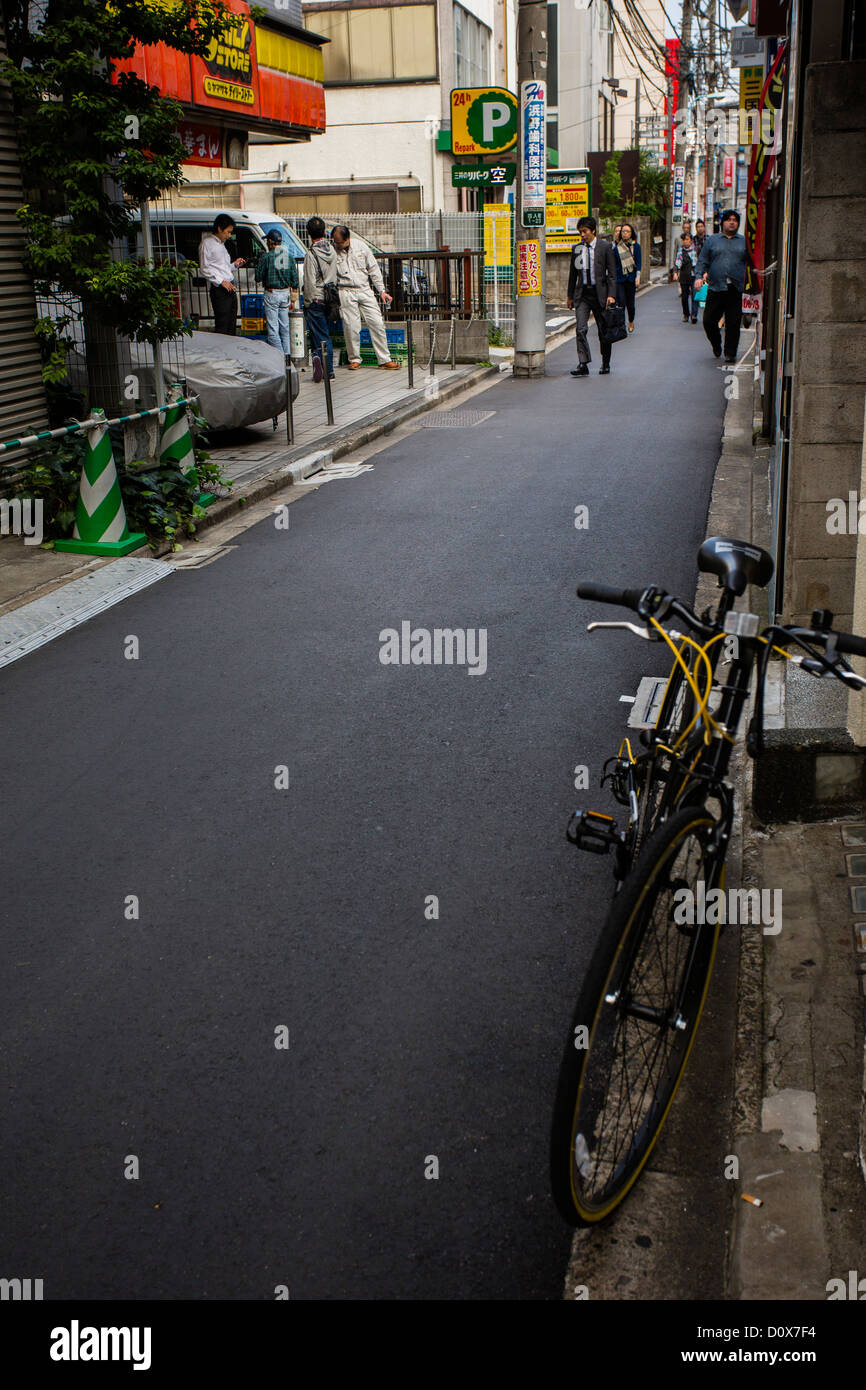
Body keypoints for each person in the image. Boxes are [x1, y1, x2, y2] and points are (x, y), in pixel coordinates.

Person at [330, 225, 399, 370]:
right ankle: (354, 359)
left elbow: (373, 268)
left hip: (364, 289)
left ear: (348, 238)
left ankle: (384, 359)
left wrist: (381, 290)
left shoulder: (361, 247)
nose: (338, 245)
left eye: (341, 242)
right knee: (351, 327)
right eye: (336, 243)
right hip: (345, 290)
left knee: (377, 323)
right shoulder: (332, 251)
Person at [566, 216, 619, 376]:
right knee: (581, 329)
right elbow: (573, 275)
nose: (582, 235)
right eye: (580, 232)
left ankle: (605, 362)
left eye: (585, 231)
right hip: (582, 295)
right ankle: (583, 363)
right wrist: (570, 296)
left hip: (600, 294)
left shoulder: (605, 247)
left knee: (604, 330)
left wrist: (611, 295)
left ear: (593, 231)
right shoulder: (577, 249)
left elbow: (612, 274)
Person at [694, 208, 747, 362]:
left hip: (735, 288)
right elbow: (702, 261)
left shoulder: (744, 242)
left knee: (733, 323)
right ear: (722, 223)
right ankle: (716, 344)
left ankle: (730, 353)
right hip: (716, 287)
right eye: (728, 219)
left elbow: (750, 263)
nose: (732, 222)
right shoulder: (712, 241)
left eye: (735, 220)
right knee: (708, 320)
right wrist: (698, 277)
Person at [198, 214, 245, 335]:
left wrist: (234, 265)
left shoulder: (221, 245)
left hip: (230, 286)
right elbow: (204, 268)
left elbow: (223, 268)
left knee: (231, 323)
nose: (229, 235)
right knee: (222, 324)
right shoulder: (207, 244)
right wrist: (221, 281)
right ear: (219, 229)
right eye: (228, 232)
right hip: (220, 289)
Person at [303, 216, 337, 382]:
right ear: (324, 231)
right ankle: (322, 364)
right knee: (324, 334)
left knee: (320, 335)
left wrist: (307, 302)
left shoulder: (311, 254)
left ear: (308, 233)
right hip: (330, 300)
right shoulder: (332, 250)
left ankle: (327, 369)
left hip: (316, 299)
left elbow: (309, 281)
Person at [255, 229, 298, 355]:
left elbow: (258, 277)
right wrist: (293, 299)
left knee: (273, 330)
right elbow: (295, 280)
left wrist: (260, 263)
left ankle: (281, 358)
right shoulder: (289, 257)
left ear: (270, 241)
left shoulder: (266, 257)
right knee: (285, 329)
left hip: (272, 293)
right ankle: (288, 358)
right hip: (285, 294)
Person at [614, 222, 642, 333]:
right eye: (623, 231)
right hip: (620, 278)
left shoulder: (636, 246)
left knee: (630, 304)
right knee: (621, 302)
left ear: (631, 233)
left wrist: (637, 277)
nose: (625, 233)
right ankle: (621, 325)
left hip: (631, 278)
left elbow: (638, 262)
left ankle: (631, 321)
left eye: (628, 231)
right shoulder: (617, 247)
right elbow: (614, 264)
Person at [674, 232, 698, 323]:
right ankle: (686, 314)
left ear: (691, 241)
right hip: (684, 275)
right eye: (684, 240)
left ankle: (694, 314)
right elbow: (677, 262)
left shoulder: (695, 250)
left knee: (694, 296)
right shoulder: (680, 251)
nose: (686, 241)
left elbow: (699, 262)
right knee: (684, 297)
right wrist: (675, 272)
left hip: (694, 275)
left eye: (687, 239)